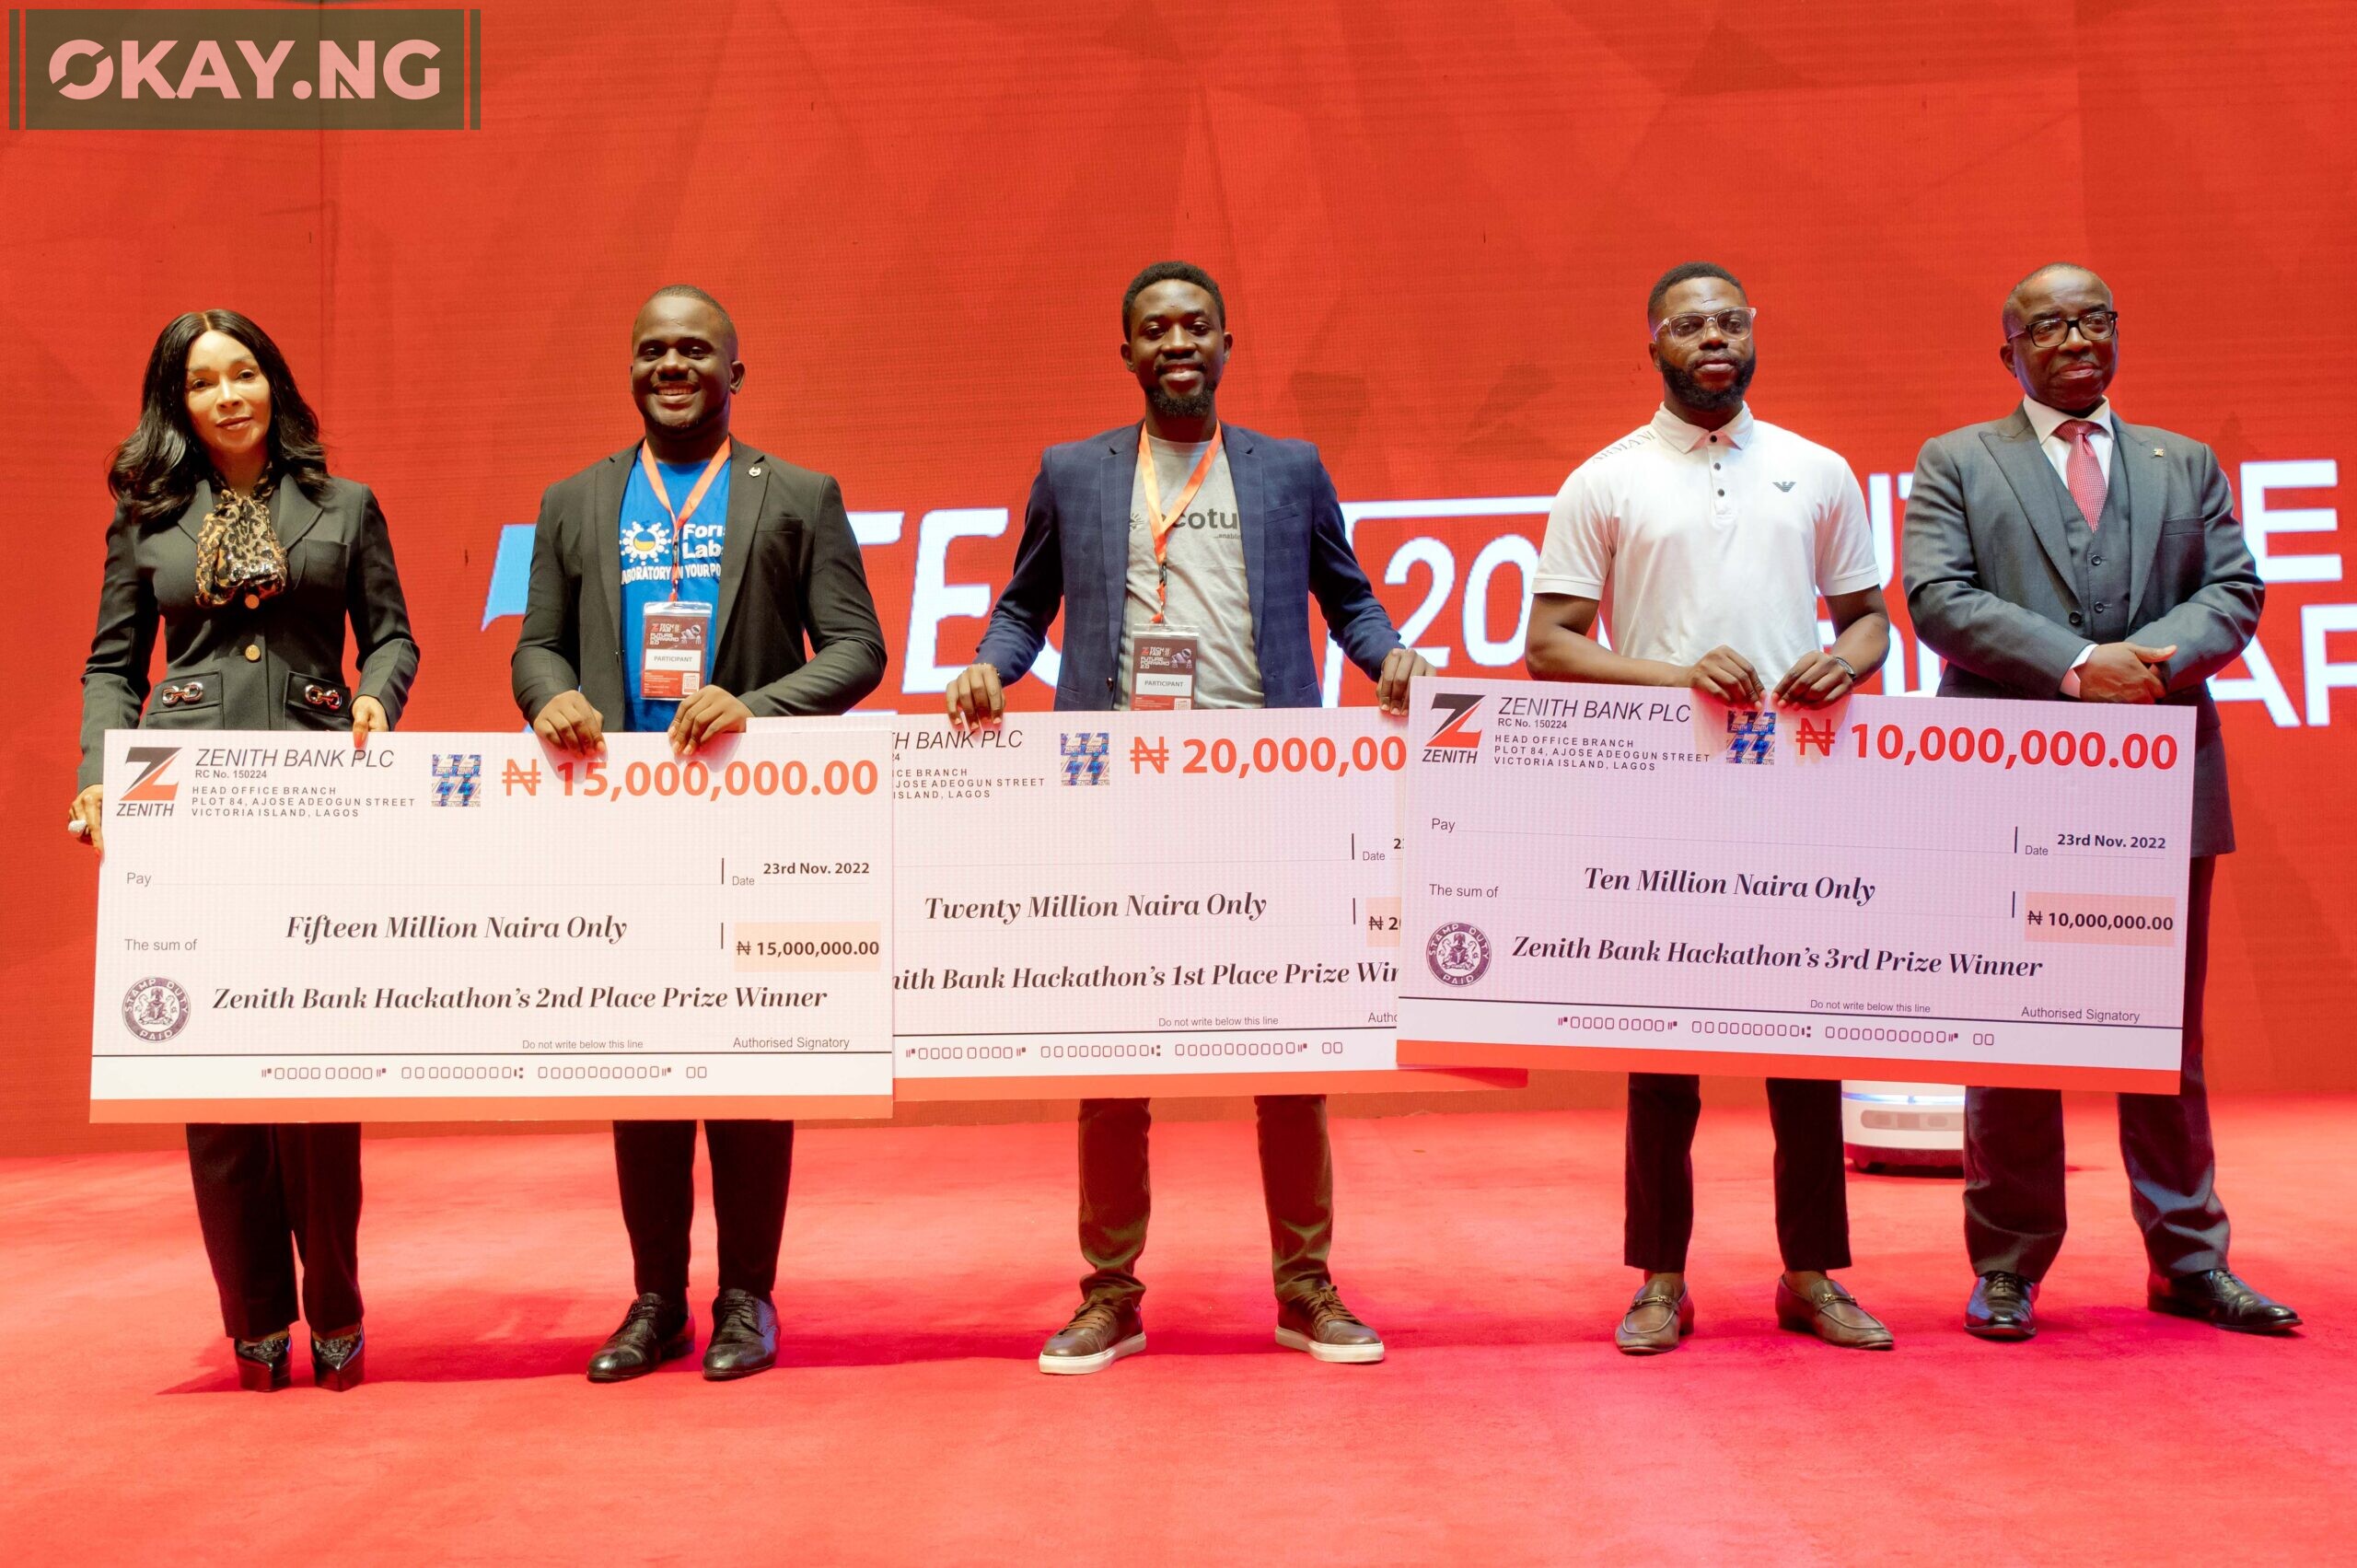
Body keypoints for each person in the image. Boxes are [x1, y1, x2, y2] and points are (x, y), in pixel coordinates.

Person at [946, 260, 1430, 1374]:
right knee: (1114, 1056)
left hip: (1268, 787)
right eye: (1155, 328)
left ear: (1224, 344)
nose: (1177, 342)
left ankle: (1305, 1287)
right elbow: (1025, 604)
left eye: (1196, 326)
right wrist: (987, 667)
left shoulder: (1287, 469)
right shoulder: (1073, 472)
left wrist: (1389, 655)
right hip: (1117, 792)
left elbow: (1345, 598)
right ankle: (1108, 1294)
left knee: (1291, 1049)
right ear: (1126, 352)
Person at [1904, 262, 2299, 1341]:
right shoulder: (1956, 462)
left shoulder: (2186, 460)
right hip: (2007, 783)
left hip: (2162, 776)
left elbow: (2235, 591)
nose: (2075, 336)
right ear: (2010, 353)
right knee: (2012, 1025)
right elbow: (1937, 598)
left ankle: (2186, 1260)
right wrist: (2080, 664)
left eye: (2094, 318)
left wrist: (2154, 663)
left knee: (2164, 1034)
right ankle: (2008, 1264)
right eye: (2049, 323)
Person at [512, 285, 887, 1381]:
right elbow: (536, 645)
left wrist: (758, 706)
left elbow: (857, 647)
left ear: (735, 369)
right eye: (652, 350)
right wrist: (549, 700)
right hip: (622, 828)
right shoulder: (575, 499)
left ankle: (747, 1299)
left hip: (754, 821)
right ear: (630, 369)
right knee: (643, 1067)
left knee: (752, 1065)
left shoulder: (798, 494)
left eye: (695, 349)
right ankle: (656, 1298)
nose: (672, 365)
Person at [1525, 261, 1895, 1354]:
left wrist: (1847, 663)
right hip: (1660, 796)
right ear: (1654, 345)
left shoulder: (1816, 470)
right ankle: (1658, 1277)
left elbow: (1869, 618)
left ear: (1752, 334)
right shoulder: (1605, 479)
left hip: (1798, 793)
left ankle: (1812, 1272)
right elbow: (1548, 645)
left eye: (1731, 320)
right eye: (1690, 325)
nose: (1713, 338)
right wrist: (1675, 675)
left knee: (1806, 1046)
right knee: (1661, 1054)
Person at [75, 309, 420, 1391]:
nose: (229, 395)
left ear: (274, 385)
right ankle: (255, 1318)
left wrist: (375, 697)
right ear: (177, 404)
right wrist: (97, 771)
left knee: (317, 1070)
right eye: (204, 382)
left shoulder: (345, 506)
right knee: (215, 1075)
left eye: (246, 374)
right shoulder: (145, 523)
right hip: (189, 804)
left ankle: (339, 1306)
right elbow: (111, 666)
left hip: (318, 793)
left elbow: (395, 633)